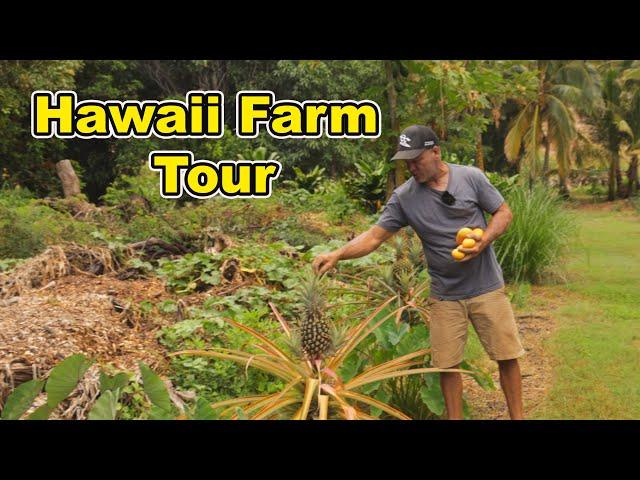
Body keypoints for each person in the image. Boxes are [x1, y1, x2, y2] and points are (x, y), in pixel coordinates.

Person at [312, 125, 525, 420]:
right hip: (445, 293)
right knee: (447, 365)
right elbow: (374, 237)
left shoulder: (471, 178)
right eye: (406, 162)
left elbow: (504, 213)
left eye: (416, 160)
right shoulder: (405, 197)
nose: (411, 167)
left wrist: (484, 240)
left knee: (506, 356)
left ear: (435, 152)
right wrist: (337, 254)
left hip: (486, 286)